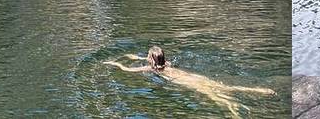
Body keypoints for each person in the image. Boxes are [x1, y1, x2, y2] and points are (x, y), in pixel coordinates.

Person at [104, 46, 275, 118]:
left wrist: (115, 63)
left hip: (185, 82)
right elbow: (154, 59)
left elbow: (126, 69)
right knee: (225, 87)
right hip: (194, 77)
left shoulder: (151, 69)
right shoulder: (167, 63)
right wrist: (137, 56)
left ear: (150, 60)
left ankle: (235, 112)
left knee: (217, 97)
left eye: (147, 56)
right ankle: (259, 90)